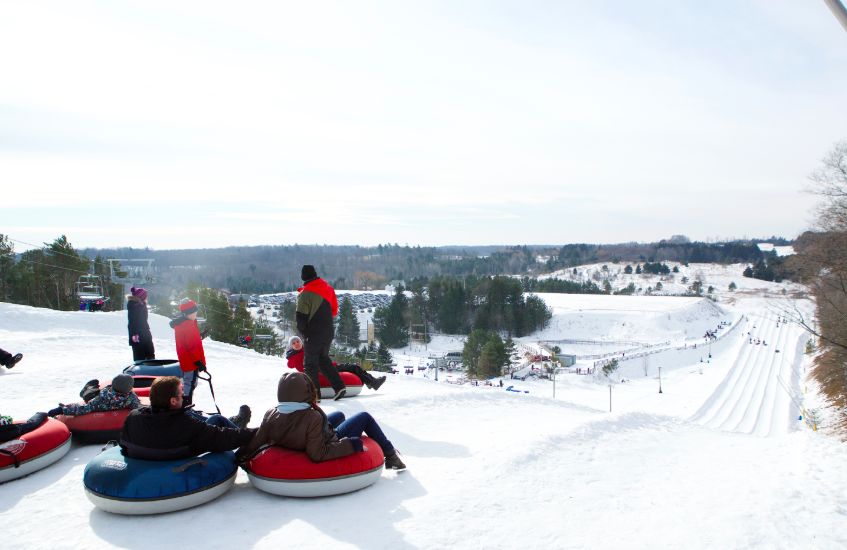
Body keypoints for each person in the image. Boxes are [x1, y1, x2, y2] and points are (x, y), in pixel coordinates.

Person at [236, 371, 405, 470]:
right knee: (364, 418)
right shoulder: (311, 417)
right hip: (326, 438)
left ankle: (391, 456)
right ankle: (391, 456)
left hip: (297, 435)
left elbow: (258, 439)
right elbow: (318, 454)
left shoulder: (271, 413)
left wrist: (241, 456)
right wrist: (351, 444)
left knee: (338, 415)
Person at [120, 376, 254, 460]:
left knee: (188, 413)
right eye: (181, 395)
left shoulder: (133, 417)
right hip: (181, 442)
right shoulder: (187, 426)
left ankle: (233, 420)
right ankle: (237, 424)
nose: (183, 397)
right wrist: (259, 431)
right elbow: (223, 437)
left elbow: (124, 445)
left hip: (166, 434)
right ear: (173, 400)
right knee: (218, 419)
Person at [296, 265, 346, 400]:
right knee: (323, 360)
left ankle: (314, 395)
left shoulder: (305, 294)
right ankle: (339, 387)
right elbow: (334, 311)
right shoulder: (329, 289)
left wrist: (303, 332)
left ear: (303, 277)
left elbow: (301, 317)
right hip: (328, 331)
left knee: (310, 364)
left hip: (313, 333)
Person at [286, 336, 386, 391]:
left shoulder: (306, 350)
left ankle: (370, 382)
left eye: (297, 341)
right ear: (291, 346)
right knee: (354, 367)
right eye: (293, 343)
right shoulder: (296, 356)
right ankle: (373, 383)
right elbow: (302, 368)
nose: (296, 344)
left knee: (353, 368)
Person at [46, 374, 141, 417]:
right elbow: (139, 407)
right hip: (97, 396)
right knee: (90, 395)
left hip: (99, 396)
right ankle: (88, 389)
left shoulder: (103, 397)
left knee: (92, 396)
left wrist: (62, 409)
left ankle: (90, 388)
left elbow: (83, 408)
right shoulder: (131, 397)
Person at [169, 298, 206, 406]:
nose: (195, 314)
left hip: (188, 359)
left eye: (196, 311)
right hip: (191, 361)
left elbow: (190, 341)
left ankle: (185, 403)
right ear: (187, 313)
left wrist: (200, 336)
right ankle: (185, 404)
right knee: (190, 383)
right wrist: (198, 361)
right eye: (193, 312)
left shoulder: (186, 323)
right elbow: (192, 346)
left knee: (189, 382)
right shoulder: (187, 325)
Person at [127, 287, 155, 361]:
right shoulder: (135, 306)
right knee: (140, 357)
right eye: (145, 296)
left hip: (145, 334)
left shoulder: (141, 305)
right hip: (138, 336)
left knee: (150, 356)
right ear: (141, 296)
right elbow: (132, 322)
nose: (146, 297)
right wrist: (134, 335)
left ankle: (150, 370)